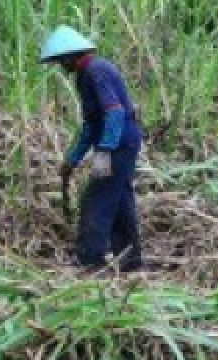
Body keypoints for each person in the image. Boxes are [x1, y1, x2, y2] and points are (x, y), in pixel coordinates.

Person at [40, 26, 144, 271]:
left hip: (118, 145)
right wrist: (73, 159)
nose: (60, 67)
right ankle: (130, 261)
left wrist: (105, 151)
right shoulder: (88, 73)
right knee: (119, 200)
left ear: (70, 56)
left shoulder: (96, 72)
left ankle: (90, 261)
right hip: (123, 143)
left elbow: (114, 112)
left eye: (60, 61)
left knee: (96, 199)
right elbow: (91, 124)